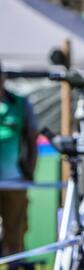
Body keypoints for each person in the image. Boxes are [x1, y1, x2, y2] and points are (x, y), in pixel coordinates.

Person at [0, 61, 37, 256]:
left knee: (15, 231)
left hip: (14, 179)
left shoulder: (21, 104)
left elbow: (32, 138)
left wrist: (31, 169)